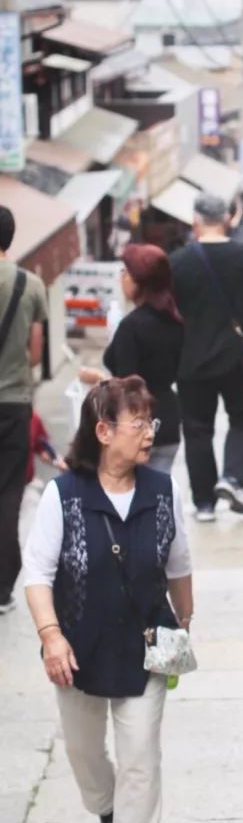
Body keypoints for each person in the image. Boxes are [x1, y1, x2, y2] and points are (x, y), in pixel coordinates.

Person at [23, 377, 194, 823]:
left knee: (141, 753)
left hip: (146, 642)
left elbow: (180, 565)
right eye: (138, 422)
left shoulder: (162, 491)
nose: (149, 433)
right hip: (78, 644)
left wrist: (183, 624)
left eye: (151, 422)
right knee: (82, 751)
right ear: (103, 431)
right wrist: (51, 636)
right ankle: (105, 809)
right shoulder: (64, 494)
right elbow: (37, 573)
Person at [170, 193, 243, 521]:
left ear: (195, 221)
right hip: (238, 358)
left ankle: (204, 504)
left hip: (190, 357)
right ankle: (232, 479)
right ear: (228, 219)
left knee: (197, 429)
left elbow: (167, 309)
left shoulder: (177, 261)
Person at [79, 244, 184, 475]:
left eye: (125, 272)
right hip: (168, 416)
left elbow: (126, 385)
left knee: (134, 499)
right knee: (157, 496)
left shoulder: (131, 327)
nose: (121, 278)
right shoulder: (175, 321)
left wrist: (97, 377)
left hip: (134, 423)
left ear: (139, 281)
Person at [0, 205, 48, 615]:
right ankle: (2, 584)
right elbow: (36, 352)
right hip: (14, 403)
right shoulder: (30, 285)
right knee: (9, 490)